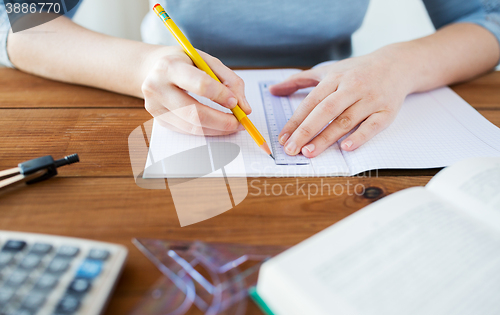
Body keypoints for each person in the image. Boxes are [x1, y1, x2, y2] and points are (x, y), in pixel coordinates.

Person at [1, 0, 499, 158]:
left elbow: (489, 16)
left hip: (337, 77)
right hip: (169, 84)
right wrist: (140, 67)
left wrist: (403, 63)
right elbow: (20, 20)